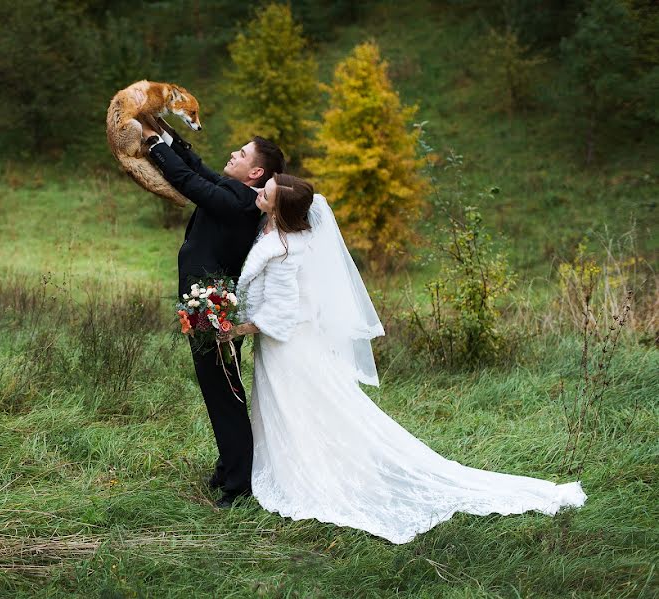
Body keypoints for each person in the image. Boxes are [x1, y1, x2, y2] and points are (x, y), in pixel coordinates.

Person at [218, 173, 587, 544]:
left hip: (289, 347)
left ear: (279, 210)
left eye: (265, 194)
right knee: (304, 409)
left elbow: (281, 314)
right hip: (293, 342)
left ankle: (310, 474)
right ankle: (310, 464)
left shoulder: (283, 248)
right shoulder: (281, 231)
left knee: (298, 411)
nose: (258, 195)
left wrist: (236, 329)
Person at [139, 116, 286, 508]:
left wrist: (154, 148)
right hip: (202, 305)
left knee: (225, 393)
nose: (232, 153)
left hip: (213, 310)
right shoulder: (235, 189)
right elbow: (197, 167)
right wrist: (166, 134)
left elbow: (190, 183)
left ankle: (238, 485)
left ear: (255, 172)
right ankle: (229, 466)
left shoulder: (239, 202)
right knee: (216, 389)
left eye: (241, 153)